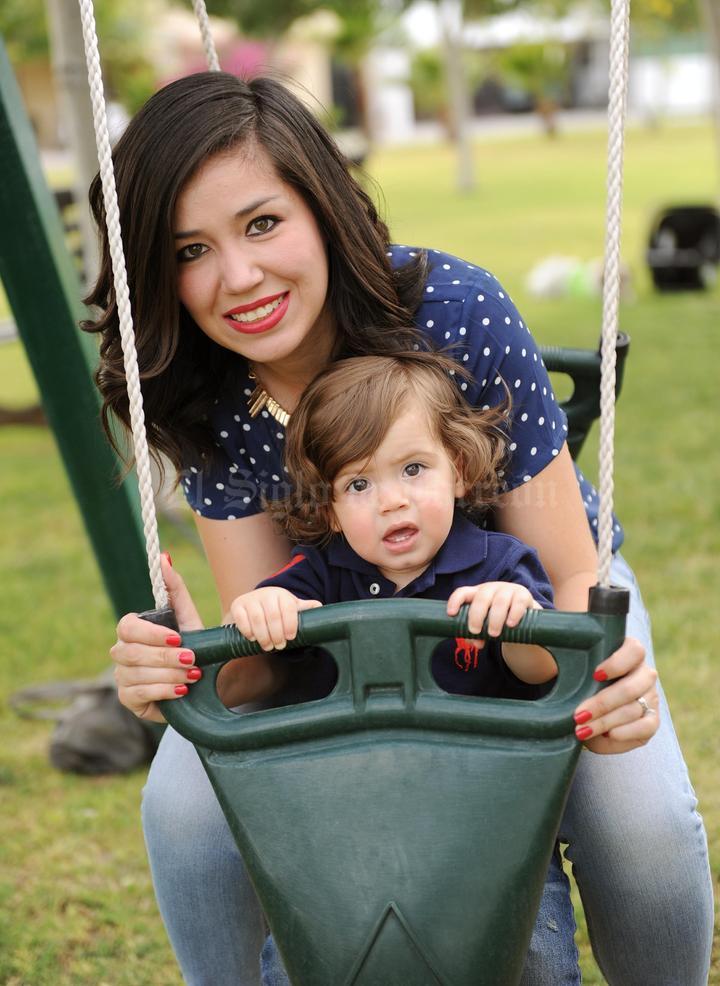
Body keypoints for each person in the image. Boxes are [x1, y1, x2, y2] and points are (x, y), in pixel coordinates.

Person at [94, 72, 711, 986]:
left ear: (323, 208)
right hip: (336, 622)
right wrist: (189, 660)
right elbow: (263, 662)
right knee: (184, 806)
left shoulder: (454, 313)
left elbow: (567, 571)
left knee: (643, 826)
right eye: (190, 249)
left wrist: (598, 672)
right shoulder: (208, 387)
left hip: (529, 603)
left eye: (263, 224)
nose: (239, 278)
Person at [227, 350, 573, 985]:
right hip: (341, 833)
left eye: (413, 469)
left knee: (533, 955)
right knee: (308, 960)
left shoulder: (499, 565)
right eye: (359, 485)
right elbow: (256, 643)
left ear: (459, 471)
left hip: (492, 823)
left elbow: (541, 670)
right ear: (329, 508)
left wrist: (517, 617)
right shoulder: (320, 576)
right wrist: (263, 609)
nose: (391, 502)